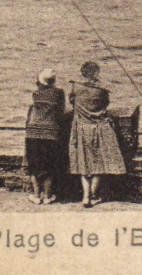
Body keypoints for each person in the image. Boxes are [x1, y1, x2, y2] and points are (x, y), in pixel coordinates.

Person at [67, 60, 128, 207]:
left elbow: (72, 101)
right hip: (99, 128)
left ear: (82, 73)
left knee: (83, 163)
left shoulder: (76, 87)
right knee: (98, 163)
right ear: (96, 73)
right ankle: (93, 195)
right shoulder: (102, 90)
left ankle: (85, 196)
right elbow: (106, 104)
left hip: (81, 128)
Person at [24, 69, 68, 205]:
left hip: (33, 132)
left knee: (33, 165)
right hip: (51, 133)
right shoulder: (59, 93)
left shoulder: (36, 94)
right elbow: (61, 112)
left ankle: (36, 195)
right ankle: (48, 196)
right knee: (50, 165)